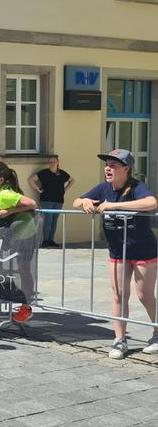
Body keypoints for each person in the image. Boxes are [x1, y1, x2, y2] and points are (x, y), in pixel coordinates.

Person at [74, 149, 158, 360]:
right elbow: (76, 200)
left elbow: (151, 203)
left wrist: (115, 205)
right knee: (118, 295)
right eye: (107, 165)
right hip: (117, 250)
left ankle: (157, 333)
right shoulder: (103, 188)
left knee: (143, 294)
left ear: (126, 169)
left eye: (113, 165)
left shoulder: (137, 186)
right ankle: (120, 340)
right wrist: (83, 202)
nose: (108, 169)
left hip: (142, 249)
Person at [0, 161, 38, 321]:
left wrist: (9, 211)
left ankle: (26, 307)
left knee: (24, 268)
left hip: (24, 232)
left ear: (1, 180)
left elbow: (32, 204)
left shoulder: (6, 194)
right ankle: (3, 283)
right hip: (8, 231)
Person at [29, 156, 74, 248]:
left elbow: (71, 180)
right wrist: (38, 190)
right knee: (48, 220)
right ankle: (45, 240)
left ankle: (51, 240)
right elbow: (31, 180)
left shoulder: (62, 173)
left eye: (54, 161)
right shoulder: (44, 173)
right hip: (46, 200)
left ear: (57, 162)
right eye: (50, 162)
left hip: (59, 200)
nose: (52, 163)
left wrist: (65, 189)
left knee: (54, 221)